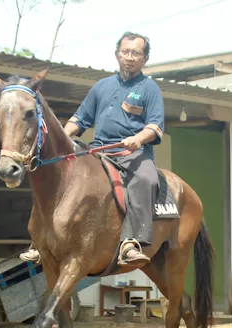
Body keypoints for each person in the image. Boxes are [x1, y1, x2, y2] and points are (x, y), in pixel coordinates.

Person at [20, 31, 165, 268]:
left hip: (132, 154)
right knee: (53, 176)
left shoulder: (149, 89)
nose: (130, 57)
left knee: (147, 179)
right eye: (125, 52)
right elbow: (80, 119)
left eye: (136, 53)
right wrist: (62, 137)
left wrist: (139, 138)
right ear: (117, 54)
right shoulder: (101, 86)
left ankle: (131, 241)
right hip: (99, 151)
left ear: (145, 59)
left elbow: (155, 126)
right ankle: (38, 240)